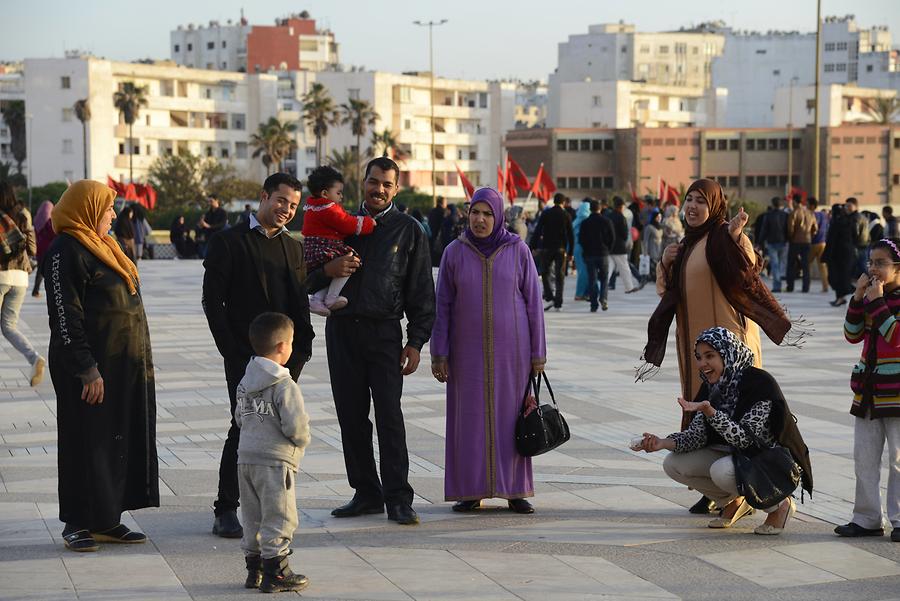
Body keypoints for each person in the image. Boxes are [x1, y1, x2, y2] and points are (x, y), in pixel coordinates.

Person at [640, 178, 801, 516]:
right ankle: (717, 491)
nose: (693, 207)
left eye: (701, 200)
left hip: (732, 349)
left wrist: (738, 236)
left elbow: (748, 269)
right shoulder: (686, 246)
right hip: (697, 351)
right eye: (689, 200)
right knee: (702, 414)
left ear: (714, 205)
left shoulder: (722, 238)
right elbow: (665, 294)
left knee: (738, 416)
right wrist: (666, 263)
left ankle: (746, 483)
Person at [311, 156, 435, 526]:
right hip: (343, 331)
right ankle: (366, 492)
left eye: (386, 184)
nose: (378, 189)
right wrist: (326, 271)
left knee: (389, 417)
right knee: (350, 416)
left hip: (384, 333)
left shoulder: (408, 230)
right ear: (361, 182)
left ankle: (398, 497)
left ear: (396, 189)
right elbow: (306, 272)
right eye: (372, 182)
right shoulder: (339, 223)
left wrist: (416, 341)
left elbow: (421, 291)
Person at [44, 180, 158, 552]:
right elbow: (64, 316)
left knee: (113, 438)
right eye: (108, 208)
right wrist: (86, 368)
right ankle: (77, 521)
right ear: (88, 208)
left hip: (122, 363)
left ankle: (107, 519)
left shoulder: (105, 246)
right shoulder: (66, 249)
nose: (113, 215)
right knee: (84, 440)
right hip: (89, 366)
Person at [202, 172, 315, 539]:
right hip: (243, 359)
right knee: (243, 425)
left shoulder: (293, 248)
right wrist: (233, 352)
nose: (286, 210)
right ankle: (225, 508)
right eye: (281, 200)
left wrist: (301, 350)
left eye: (293, 205)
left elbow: (299, 304)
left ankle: (271, 506)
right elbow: (212, 302)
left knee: (279, 430)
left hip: (284, 362)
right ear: (264, 196)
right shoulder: (228, 242)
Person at [431, 187, 546, 514]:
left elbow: (534, 303)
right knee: (469, 419)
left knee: (512, 417)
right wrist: (439, 351)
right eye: (475, 213)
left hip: (514, 351)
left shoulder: (517, 249)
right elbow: (443, 304)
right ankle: (470, 490)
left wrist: (538, 352)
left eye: (487, 214)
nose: (480, 219)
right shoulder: (454, 252)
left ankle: (514, 490)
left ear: (498, 216)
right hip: (465, 353)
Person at [639, 327, 813, 535]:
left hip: (765, 460)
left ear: (727, 353)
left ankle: (779, 504)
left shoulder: (759, 383)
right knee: (673, 463)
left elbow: (746, 439)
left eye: (710, 356)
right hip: (732, 456)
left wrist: (711, 412)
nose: (702, 363)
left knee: (722, 471)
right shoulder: (712, 386)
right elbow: (697, 437)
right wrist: (662, 443)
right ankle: (735, 499)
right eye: (699, 357)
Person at [235, 312, 311, 592]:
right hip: (275, 461)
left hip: (246, 458)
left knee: (252, 515)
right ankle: (277, 572)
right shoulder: (284, 385)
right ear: (282, 347)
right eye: (291, 343)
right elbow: (296, 425)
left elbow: (239, 417)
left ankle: (253, 570)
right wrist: (300, 442)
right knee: (280, 515)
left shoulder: (245, 381)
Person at [835, 238, 900, 542]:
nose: (873, 268)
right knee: (864, 457)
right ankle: (867, 518)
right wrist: (859, 297)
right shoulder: (871, 294)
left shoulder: (889, 299)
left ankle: (899, 519)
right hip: (868, 389)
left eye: (880, 263)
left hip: (897, 391)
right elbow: (852, 334)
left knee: (898, 459)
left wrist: (876, 301)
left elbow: (894, 335)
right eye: (870, 262)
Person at [301, 166, 376, 316]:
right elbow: (346, 223)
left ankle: (317, 299)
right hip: (326, 246)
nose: (341, 197)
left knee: (333, 273)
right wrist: (368, 223)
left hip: (314, 247)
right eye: (339, 193)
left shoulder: (313, 208)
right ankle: (331, 297)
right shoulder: (328, 208)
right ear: (325, 193)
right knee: (350, 262)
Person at [0, 183, 44, 386]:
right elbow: (33, 248)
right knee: (9, 326)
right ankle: (34, 358)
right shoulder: (23, 213)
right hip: (21, 278)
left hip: (1, 275)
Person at [531, 193, 574, 311]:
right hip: (561, 249)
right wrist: (571, 252)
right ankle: (558, 302)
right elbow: (571, 235)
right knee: (560, 275)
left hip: (547, 248)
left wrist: (533, 245)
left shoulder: (546, 213)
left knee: (545, 272)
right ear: (563, 202)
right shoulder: (566, 215)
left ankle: (549, 295)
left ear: (553, 201)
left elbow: (538, 229)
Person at [579, 200, 615, 312]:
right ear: (600, 209)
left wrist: (585, 251)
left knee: (592, 279)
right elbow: (612, 238)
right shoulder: (606, 221)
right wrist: (608, 249)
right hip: (603, 253)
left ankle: (593, 304)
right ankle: (603, 299)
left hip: (590, 254)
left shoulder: (585, 222)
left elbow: (581, 239)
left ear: (590, 209)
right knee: (604, 278)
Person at [823, 203, 856, 307]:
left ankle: (842, 296)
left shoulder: (836, 223)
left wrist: (826, 256)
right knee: (843, 277)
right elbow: (855, 237)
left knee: (836, 277)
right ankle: (841, 297)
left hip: (837, 255)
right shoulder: (850, 221)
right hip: (848, 253)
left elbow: (831, 241)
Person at [785, 198, 818, 293]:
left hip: (795, 242)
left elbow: (790, 229)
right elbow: (815, 228)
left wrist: (791, 238)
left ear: (795, 202)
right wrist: (809, 236)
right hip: (807, 241)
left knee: (791, 265)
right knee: (805, 265)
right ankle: (805, 287)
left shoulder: (794, 213)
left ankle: (790, 286)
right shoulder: (810, 213)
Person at [608, 197, 640, 294]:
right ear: (621, 206)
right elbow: (625, 233)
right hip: (620, 247)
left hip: (610, 246)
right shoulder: (621, 217)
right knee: (624, 268)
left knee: (608, 268)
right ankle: (629, 287)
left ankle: (601, 286)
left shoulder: (609, 216)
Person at [759, 197, 788, 292]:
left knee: (775, 265)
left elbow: (764, 230)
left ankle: (777, 286)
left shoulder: (768, 215)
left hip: (771, 242)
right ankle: (778, 283)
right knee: (780, 264)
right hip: (783, 242)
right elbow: (788, 229)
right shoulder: (785, 215)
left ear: (773, 204)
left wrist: (760, 242)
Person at [31, 200, 55, 297]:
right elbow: (54, 234)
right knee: (50, 272)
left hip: (39, 250)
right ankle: (49, 292)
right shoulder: (49, 222)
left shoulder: (37, 220)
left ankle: (35, 290)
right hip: (49, 250)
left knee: (40, 271)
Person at [807, 197, 829, 293]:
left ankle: (806, 285)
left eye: (807, 204)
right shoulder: (823, 215)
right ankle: (825, 287)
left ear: (811, 205)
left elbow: (811, 229)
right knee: (822, 266)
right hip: (823, 242)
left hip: (813, 243)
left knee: (807, 265)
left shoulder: (811, 215)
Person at [572, 199, 592, 301]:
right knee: (585, 272)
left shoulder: (576, 221)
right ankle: (581, 293)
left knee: (582, 271)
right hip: (585, 248)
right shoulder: (588, 220)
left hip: (576, 248)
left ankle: (582, 293)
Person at [845, 197, 870, 278]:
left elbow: (855, 233)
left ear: (855, 206)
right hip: (864, 244)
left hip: (857, 246)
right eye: (846, 206)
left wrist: (851, 243)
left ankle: (871, 282)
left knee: (860, 267)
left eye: (849, 206)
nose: (847, 208)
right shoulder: (862, 216)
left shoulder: (854, 217)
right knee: (863, 266)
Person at [642, 209, 664, 284]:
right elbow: (645, 240)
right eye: (658, 217)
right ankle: (653, 277)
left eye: (660, 217)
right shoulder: (649, 227)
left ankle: (657, 277)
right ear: (654, 217)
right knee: (653, 265)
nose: (659, 218)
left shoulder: (661, 227)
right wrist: (645, 251)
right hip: (652, 248)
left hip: (660, 248)